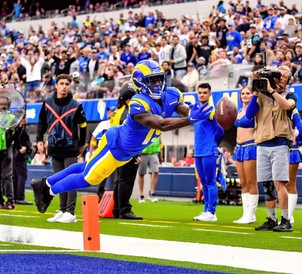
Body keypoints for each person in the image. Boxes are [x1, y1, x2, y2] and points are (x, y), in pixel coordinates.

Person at [31, 60, 212, 216]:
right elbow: (161, 124)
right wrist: (190, 119)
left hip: (126, 151)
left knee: (87, 166)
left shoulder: (171, 94)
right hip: (115, 147)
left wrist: (194, 113)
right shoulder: (138, 102)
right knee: (90, 178)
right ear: (140, 83)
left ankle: (44, 183)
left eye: (159, 79)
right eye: (152, 81)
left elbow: (183, 108)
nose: (157, 84)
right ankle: (49, 191)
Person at [246, 65, 297, 232]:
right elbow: (249, 114)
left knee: (279, 182)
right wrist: (255, 90)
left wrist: (271, 91)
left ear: (289, 79)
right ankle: (271, 218)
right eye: (278, 74)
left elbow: (288, 106)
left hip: (280, 142)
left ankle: (286, 219)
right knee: (267, 184)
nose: (280, 77)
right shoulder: (261, 94)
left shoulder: (289, 94)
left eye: (284, 75)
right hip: (262, 142)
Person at [36, 74, 88, 223]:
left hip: (70, 148)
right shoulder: (47, 103)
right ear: (56, 85)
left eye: (67, 84)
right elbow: (42, 123)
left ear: (69, 86)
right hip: (54, 147)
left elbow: (83, 126)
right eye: (62, 83)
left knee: (71, 180)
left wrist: (81, 144)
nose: (64, 86)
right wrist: (40, 139)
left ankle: (71, 212)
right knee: (58, 180)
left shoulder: (76, 105)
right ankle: (63, 209)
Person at [192, 83, 225, 222]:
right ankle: (206, 210)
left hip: (208, 151)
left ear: (209, 94)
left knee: (211, 181)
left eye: (205, 92)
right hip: (198, 151)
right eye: (200, 92)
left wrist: (213, 144)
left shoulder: (212, 111)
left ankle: (211, 211)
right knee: (204, 183)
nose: (202, 95)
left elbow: (221, 131)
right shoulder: (196, 110)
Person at [110, 84, 143, 220]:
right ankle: (124, 210)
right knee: (126, 181)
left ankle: (117, 209)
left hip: (117, 149)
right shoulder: (130, 113)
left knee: (119, 181)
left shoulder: (118, 111)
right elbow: (130, 136)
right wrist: (135, 154)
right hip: (127, 151)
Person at [233, 86, 259, 224]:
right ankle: (245, 213)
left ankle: (252, 214)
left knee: (251, 182)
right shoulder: (238, 111)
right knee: (243, 183)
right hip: (239, 148)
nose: (244, 95)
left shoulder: (255, 111)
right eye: (242, 93)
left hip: (250, 146)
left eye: (248, 93)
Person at [89, 106, 116, 201]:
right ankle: (100, 196)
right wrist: (91, 153)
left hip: (114, 154)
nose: (109, 112)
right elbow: (93, 138)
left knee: (114, 178)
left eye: (111, 111)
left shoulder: (117, 124)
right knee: (101, 176)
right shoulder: (103, 124)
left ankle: (113, 199)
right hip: (103, 153)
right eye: (108, 110)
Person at [0, 96, 16, 209]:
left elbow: (16, 132)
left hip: (7, 149)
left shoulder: (12, 117)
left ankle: (10, 200)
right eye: (0, 103)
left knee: (7, 176)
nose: (2, 106)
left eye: (4, 103)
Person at [13, 117, 32, 205]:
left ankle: (15, 197)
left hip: (15, 155)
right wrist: (22, 148)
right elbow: (16, 139)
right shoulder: (19, 129)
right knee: (22, 176)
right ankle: (20, 197)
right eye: (24, 118)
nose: (26, 119)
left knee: (15, 176)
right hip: (19, 155)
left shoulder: (18, 128)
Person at [138, 137, 161, 204]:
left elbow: (160, 141)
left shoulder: (157, 128)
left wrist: (161, 154)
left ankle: (152, 193)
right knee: (141, 173)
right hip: (143, 153)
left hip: (154, 152)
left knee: (155, 171)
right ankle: (141, 195)